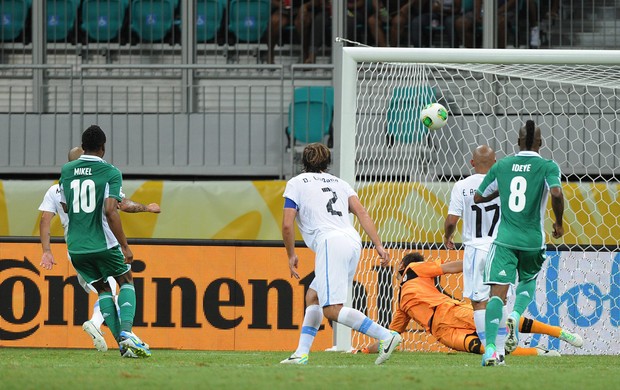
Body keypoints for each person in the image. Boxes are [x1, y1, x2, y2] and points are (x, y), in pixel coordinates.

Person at [280, 142, 401, 365]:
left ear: (303, 162)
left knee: (332, 309)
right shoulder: (341, 183)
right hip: (352, 241)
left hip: (330, 242)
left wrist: (291, 254)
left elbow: (287, 225)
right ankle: (301, 353)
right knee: (313, 296)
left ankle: (386, 335)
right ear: (328, 162)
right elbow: (362, 212)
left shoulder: (296, 183)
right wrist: (379, 245)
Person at [39, 146, 160, 353]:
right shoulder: (102, 176)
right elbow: (118, 206)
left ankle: (123, 342)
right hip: (101, 242)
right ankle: (109, 328)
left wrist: (47, 250)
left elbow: (46, 218)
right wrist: (146, 208)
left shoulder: (59, 185)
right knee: (122, 282)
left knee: (106, 289)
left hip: (76, 248)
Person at [359, 253, 583, 358]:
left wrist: (473, 264)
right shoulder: (400, 304)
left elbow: (447, 268)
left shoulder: (414, 269)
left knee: (502, 323)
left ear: (401, 265)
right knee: (485, 349)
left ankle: (561, 333)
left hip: (451, 311)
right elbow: (391, 336)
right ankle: (539, 353)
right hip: (442, 332)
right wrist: (362, 350)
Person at [474, 119, 565, 366]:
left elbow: (479, 196)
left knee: (496, 295)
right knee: (528, 280)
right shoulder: (548, 165)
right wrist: (559, 223)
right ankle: (515, 314)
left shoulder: (502, 165)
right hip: (533, 240)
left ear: (517, 141)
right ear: (541, 142)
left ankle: (491, 350)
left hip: (505, 240)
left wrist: (502, 189)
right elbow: (556, 193)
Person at [444, 145, 503, 353]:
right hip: (500, 249)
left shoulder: (462, 186)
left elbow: (452, 219)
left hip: (476, 249)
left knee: (479, 303)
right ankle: (501, 350)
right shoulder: (502, 184)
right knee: (499, 300)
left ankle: (489, 350)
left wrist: (447, 235)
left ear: (472, 163)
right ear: (495, 163)